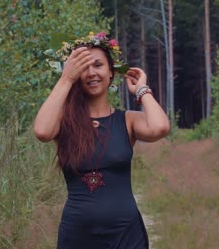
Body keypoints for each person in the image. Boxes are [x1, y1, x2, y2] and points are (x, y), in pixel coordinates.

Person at [33, 31, 170, 249]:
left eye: (98, 65)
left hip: (126, 235)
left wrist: (142, 90)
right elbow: (41, 131)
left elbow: (160, 127)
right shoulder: (64, 122)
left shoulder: (127, 121)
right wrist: (66, 78)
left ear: (111, 73)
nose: (91, 73)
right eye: (83, 67)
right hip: (77, 236)